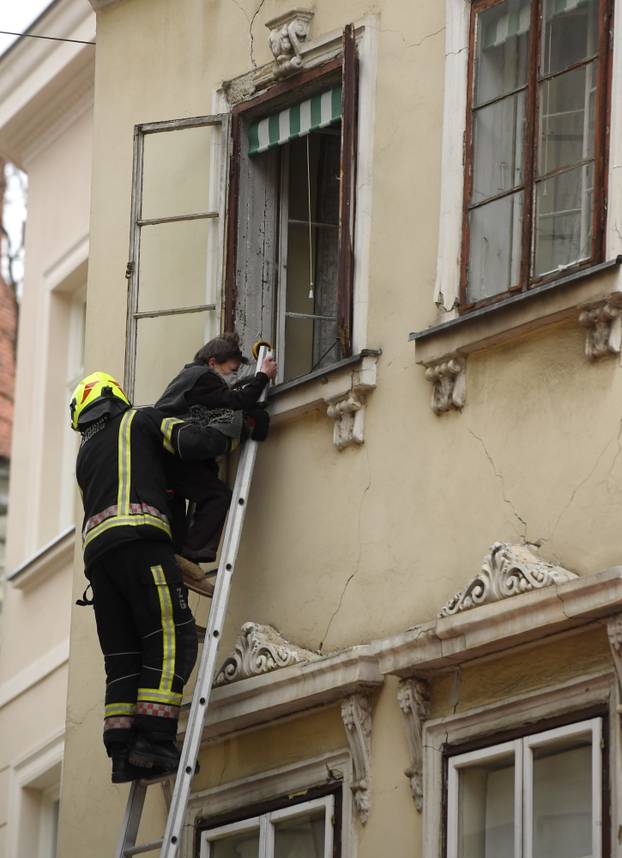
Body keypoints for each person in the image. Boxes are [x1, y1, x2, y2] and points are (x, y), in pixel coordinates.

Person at [70, 371, 228, 783]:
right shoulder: (139, 420)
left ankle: (121, 751)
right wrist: (227, 429)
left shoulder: (85, 456)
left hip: (101, 567)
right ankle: (155, 739)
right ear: (115, 397)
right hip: (142, 547)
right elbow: (187, 441)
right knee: (173, 639)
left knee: (124, 659)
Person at [155, 333, 277, 566]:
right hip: (174, 454)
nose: (232, 377)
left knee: (182, 515)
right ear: (213, 362)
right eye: (231, 370)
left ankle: (182, 559)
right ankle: (192, 556)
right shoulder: (202, 377)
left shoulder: (190, 377)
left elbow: (221, 405)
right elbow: (233, 401)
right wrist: (262, 376)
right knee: (216, 496)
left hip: (167, 456)